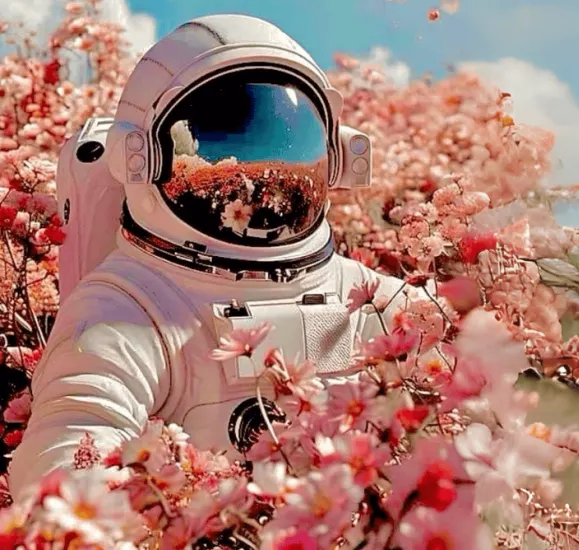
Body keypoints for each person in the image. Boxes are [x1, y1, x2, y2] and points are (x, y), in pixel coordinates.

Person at [7, 14, 410, 499]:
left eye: (291, 140)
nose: (262, 202)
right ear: (139, 157)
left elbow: (473, 376)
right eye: (217, 138)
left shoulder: (360, 294)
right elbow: (68, 460)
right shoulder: (130, 309)